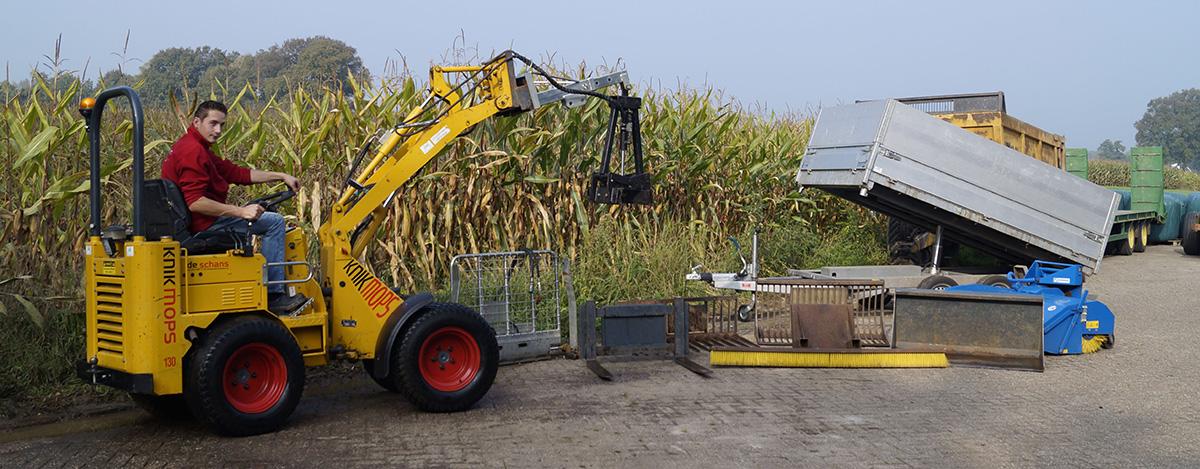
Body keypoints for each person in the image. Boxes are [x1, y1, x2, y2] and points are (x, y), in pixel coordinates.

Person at [162, 100, 307, 314]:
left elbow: (235, 173)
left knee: (258, 209)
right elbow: (195, 202)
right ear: (197, 121)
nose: (218, 130)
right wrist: (240, 211)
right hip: (203, 225)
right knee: (275, 223)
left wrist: (281, 175)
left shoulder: (194, 146)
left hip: (198, 222)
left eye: (221, 125)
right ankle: (274, 296)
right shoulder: (193, 151)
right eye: (213, 123)